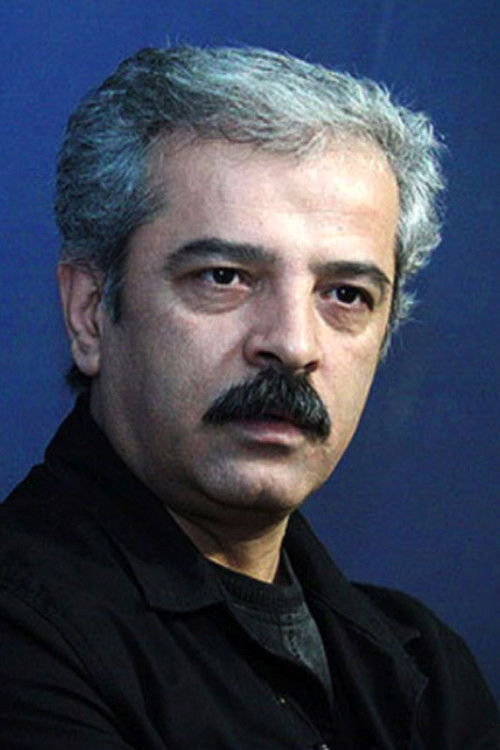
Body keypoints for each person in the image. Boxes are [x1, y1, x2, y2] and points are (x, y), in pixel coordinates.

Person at [0, 45, 498, 749]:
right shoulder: (23, 633)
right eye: (224, 277)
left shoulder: (428, 670)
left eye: (345, 294)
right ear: (90, 312)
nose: (293, 343)